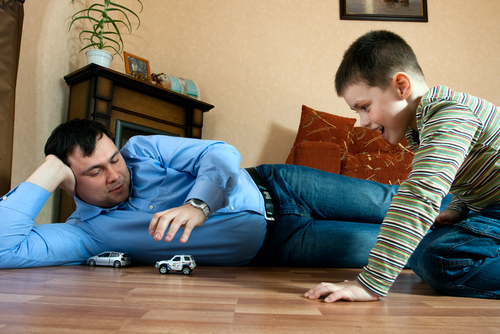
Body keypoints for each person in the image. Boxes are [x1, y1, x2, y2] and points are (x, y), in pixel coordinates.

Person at [1, 118, 426, 269]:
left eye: (113, 159)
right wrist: (49, 171)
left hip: (278, 184)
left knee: (395, 204)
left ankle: (483, 204)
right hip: (279, 245)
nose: (116, 173)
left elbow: (221, 154)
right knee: (403, 246)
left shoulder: (142, 151)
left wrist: (197, 205)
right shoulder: (86, 235)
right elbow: (4, 250)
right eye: (95, 170)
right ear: (70, 182)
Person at [305, 30, 500, 303]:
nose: (363, 122)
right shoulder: (419, 128)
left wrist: (371, 284)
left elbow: (422, 192)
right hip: (488, 211)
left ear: (401, 86)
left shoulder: (451, 112)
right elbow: (479, 174)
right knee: (423, 246)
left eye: (364, 107)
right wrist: (457, 209)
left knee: (441, 261)